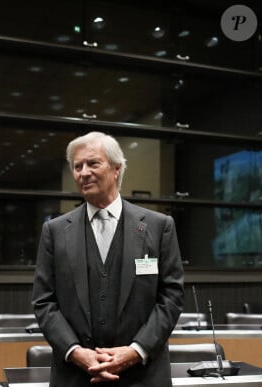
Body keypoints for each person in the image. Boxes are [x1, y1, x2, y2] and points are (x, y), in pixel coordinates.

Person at [32, 131, 184, 386]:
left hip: (143, 375)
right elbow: (44, 301)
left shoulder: (158, 227)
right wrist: (77, 353)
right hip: (76, 376)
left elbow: (171, 297)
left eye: (93, 163)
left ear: (117, 169)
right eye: (77, 166)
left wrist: (136, 350)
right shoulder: (55, 231)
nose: (83, 172)